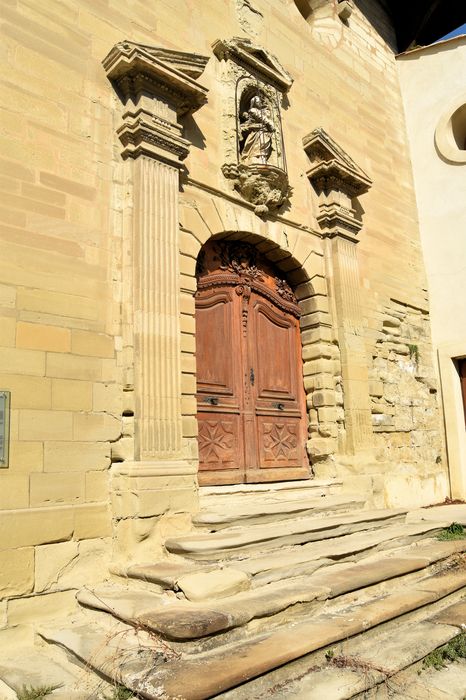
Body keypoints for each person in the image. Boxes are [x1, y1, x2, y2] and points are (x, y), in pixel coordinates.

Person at [239, 95, 274, 165]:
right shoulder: (253, 110)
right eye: (257, 102)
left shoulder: (261, 111)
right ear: (254, 102)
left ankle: (262, 157)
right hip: (256, 130)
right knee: (259, 142)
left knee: (264, 142)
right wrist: (269, 122)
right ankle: (254, 156)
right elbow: (260, 117)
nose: (259, 103)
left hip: (263, 130)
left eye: (259, 102)